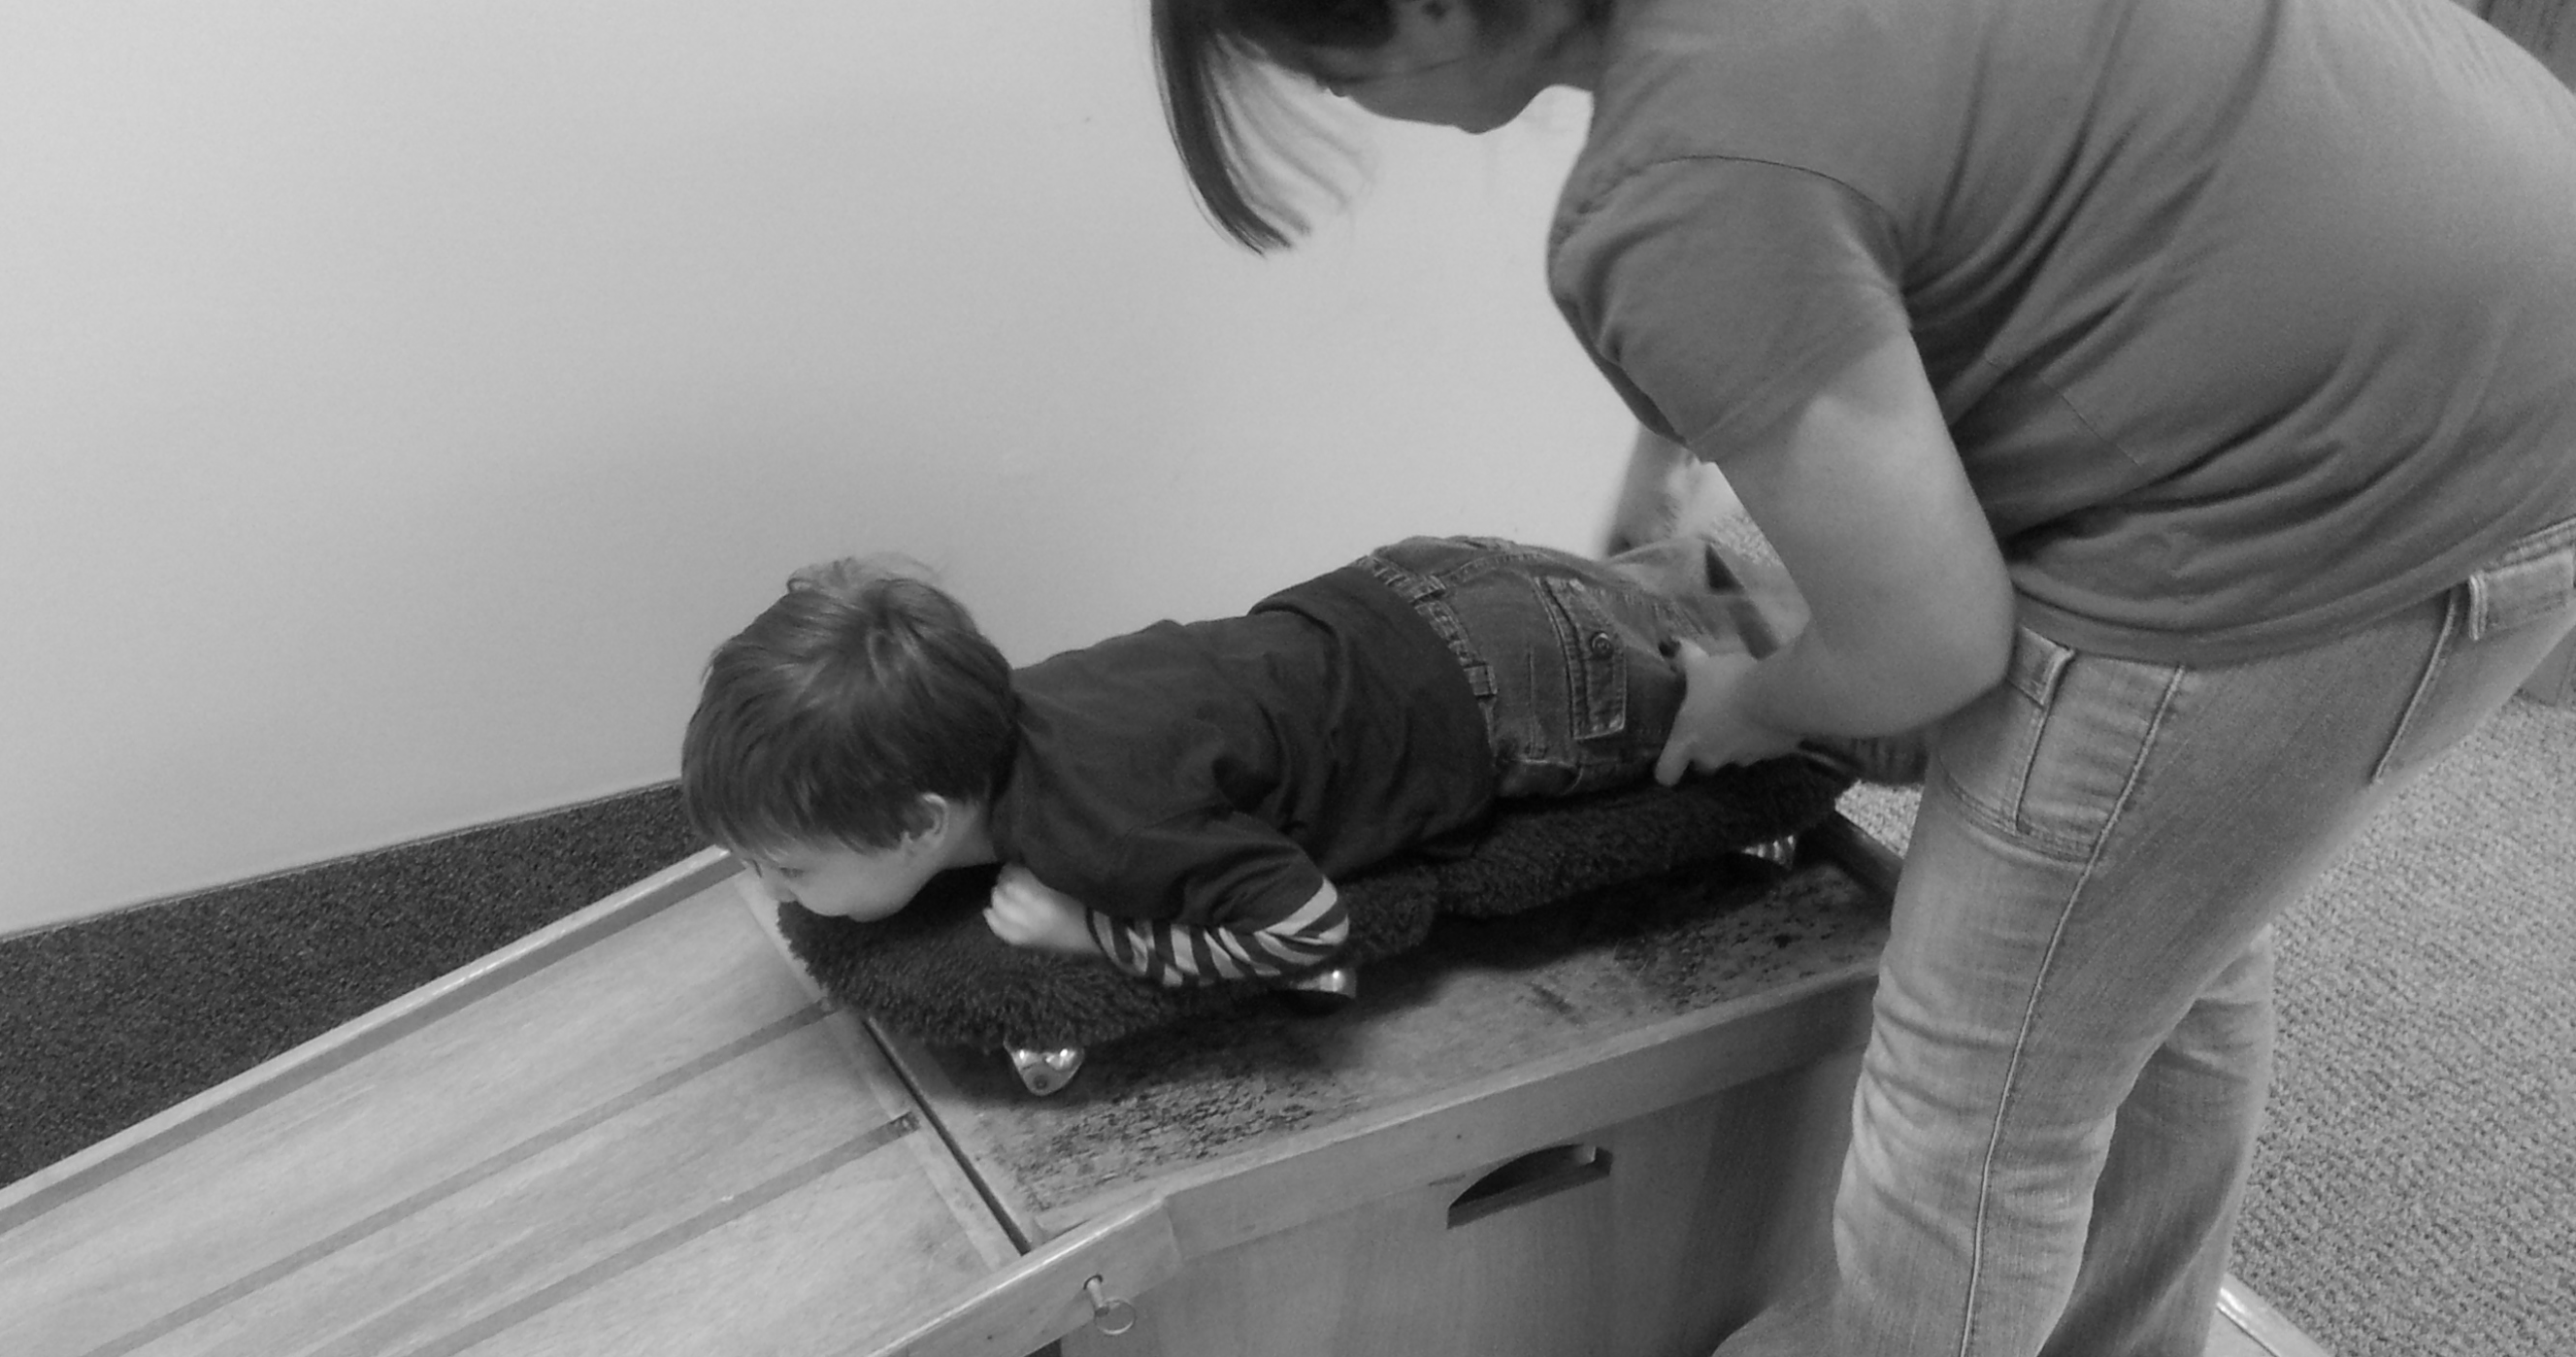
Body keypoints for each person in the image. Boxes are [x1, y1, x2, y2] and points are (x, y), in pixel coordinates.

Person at [1147, 0, 2576, 1357]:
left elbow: (1927, 639)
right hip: (2513, 305)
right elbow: (1857, 221)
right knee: (2153, 919)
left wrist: (1756, 695)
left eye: (1336, 72)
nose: (1357, 105)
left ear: (1429, 9)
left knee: (1974, 1076)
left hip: (2342, 489)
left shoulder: (1679, 193)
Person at [679, 533, 1852, 981]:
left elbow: (1310, 929)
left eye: (792, 868)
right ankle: (1690, 600)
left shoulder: (1104, 834)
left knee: (1765, 700)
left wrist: (1092, 935)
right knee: (1659, 590)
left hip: (1518, 699)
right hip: (1420, 580)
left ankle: (1803, 674)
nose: (774, 889)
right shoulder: (1012, 697)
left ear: (918, 823)